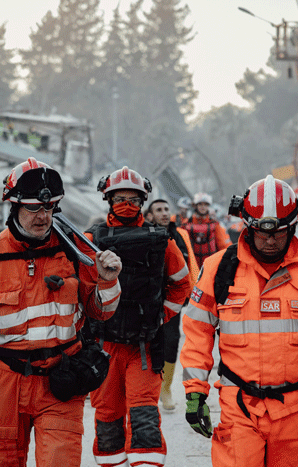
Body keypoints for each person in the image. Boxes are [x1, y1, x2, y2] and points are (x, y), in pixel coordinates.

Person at [180, 175, 298, 467]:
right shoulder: (219, 269)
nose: (270, 240)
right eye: (262, 233)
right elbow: (197, 333)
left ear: (294, 227)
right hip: (239, 407)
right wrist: (195, 391)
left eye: (279, 233)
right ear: (247, 226)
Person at [0, 157, 122, 467]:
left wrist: (108, 284)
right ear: (14, 206)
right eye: (33, 208)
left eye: (48, 208)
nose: (42, 216)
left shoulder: (75, 251)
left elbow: (100, 313)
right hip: (1, 384)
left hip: (62, 380)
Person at [86, 167, 192, 467]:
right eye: (120, 198)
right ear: (108, 198)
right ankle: (111, 462)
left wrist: (162, 316)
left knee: (144, 413)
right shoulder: (92, 238)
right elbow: (78, 285)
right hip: (104, 344)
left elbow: (182, 283)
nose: (127, 204)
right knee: (107, 415)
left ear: (143, 201)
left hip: (144, 346)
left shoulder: (161, 240)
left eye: (134, 200)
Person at [146, 198, 199, 411]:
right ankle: (150, 386)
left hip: (173, 299)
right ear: (149, 216)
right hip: (147, 299)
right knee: (148, 343)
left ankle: (165, 388)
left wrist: (194, 292)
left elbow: (191, 263)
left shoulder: (181, 234)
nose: (164, 213)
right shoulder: (143, 234)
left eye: (167, 208)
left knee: (172, 341)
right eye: (159, 210)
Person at [182, 192, 232, 268]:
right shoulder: (186, 224)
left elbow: (223, 245)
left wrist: (227, 261)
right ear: (195, 206)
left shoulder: (215, 224)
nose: (203, 207)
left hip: (210, 266)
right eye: (200, 204)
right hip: (192, 266)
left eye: (205, 205)